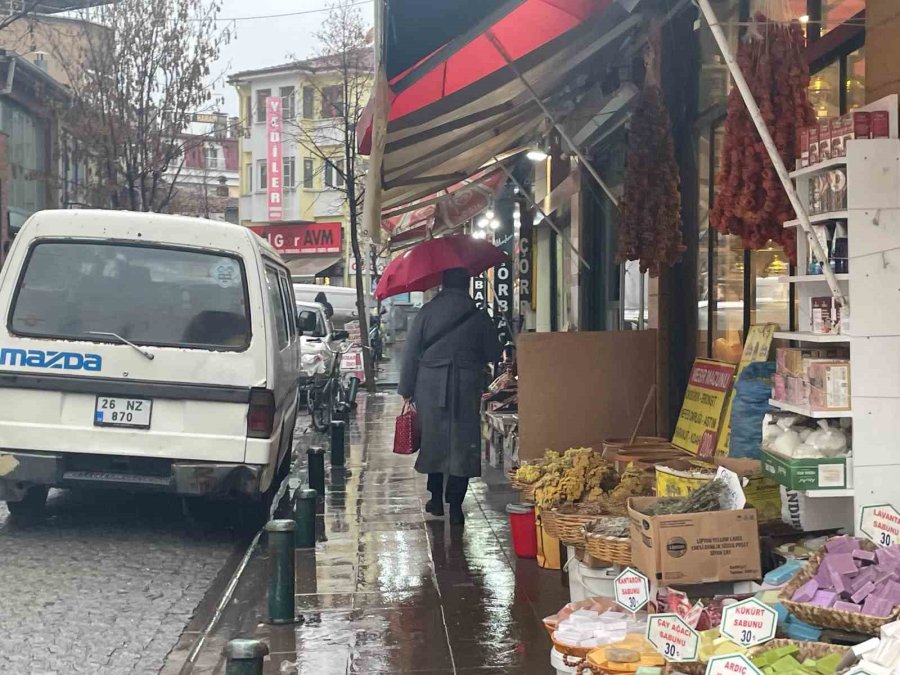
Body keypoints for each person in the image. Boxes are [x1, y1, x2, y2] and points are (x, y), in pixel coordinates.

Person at [398, 267, 501, 526]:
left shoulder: (427, 312)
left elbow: (411, 352)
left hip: (429, 384)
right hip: (466, 384)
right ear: (467, 285)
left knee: (434, 439)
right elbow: (493, 352)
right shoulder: (477, 314)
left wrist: (406, 390)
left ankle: (435, 498)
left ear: (442, 285)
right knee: (462, 443)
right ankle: (455, 504)